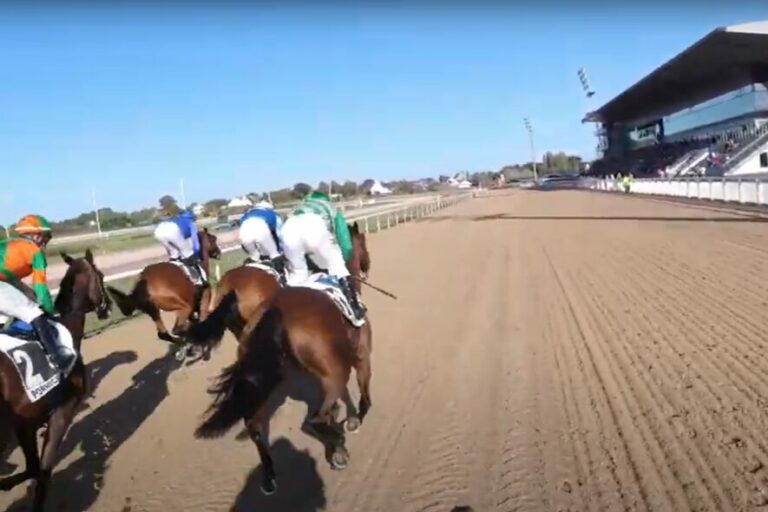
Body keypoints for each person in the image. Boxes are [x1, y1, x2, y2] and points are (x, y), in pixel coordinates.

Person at [0, 214, 76, 373]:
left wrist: (32, 297)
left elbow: (16, 284)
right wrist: (47, 309)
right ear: (36, 235)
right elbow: (40, 287)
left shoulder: (10, 245)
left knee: (4, 317)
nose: (46, 240)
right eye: (46, 236)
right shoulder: (34, 251)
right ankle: (58, 359)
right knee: (34, 313)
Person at [281, 190, 365, 322]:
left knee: (298, 275)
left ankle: (285, 312)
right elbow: (345, 243)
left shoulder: (298, 208)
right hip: (315, 227)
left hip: (288, 229)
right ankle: (354, 308)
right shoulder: (331, 208)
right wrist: (343, 261)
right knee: (337, 266)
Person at [238, 200, 287, 283]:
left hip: (244, 232)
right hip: (261, 230)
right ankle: (282, 277)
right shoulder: (272, 214)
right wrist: (279, 249)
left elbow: (241, 225)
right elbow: (277, 234)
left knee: (254, 257)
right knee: (274, 254)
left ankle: (246, 277)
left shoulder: (247, 214)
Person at [154, 210, 206, 284]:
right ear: (191, 218)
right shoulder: (190, 222)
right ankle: (199, 279)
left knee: (174, 255)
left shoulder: (177, 219)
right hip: (172, 230)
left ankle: (172, 274)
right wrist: (196, 255)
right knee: (187, 254)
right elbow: (195, 242)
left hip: (158, 231)